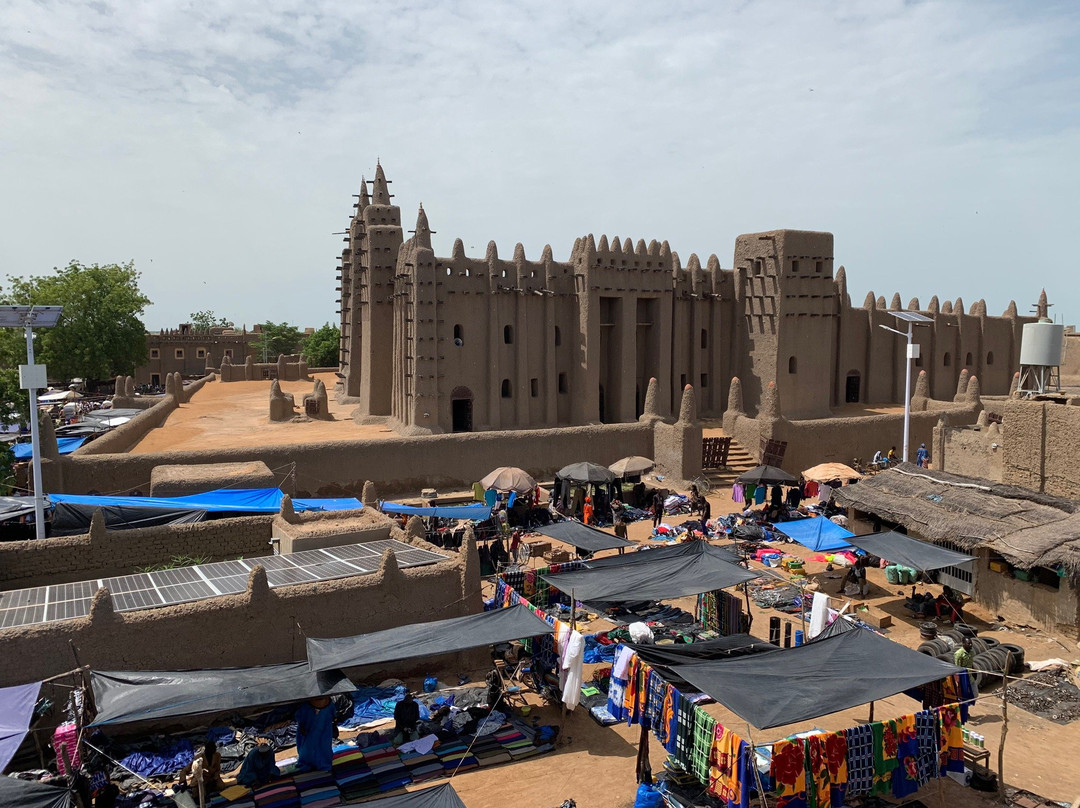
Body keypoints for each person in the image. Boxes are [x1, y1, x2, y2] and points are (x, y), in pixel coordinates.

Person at [295, 696, 336, 773]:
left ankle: (309, 764)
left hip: (311, 722)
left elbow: (298, 716)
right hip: (320, 723)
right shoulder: (330, 705)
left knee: (309, 746)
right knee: (322, 744)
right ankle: (323, 764)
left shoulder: (304, 706)